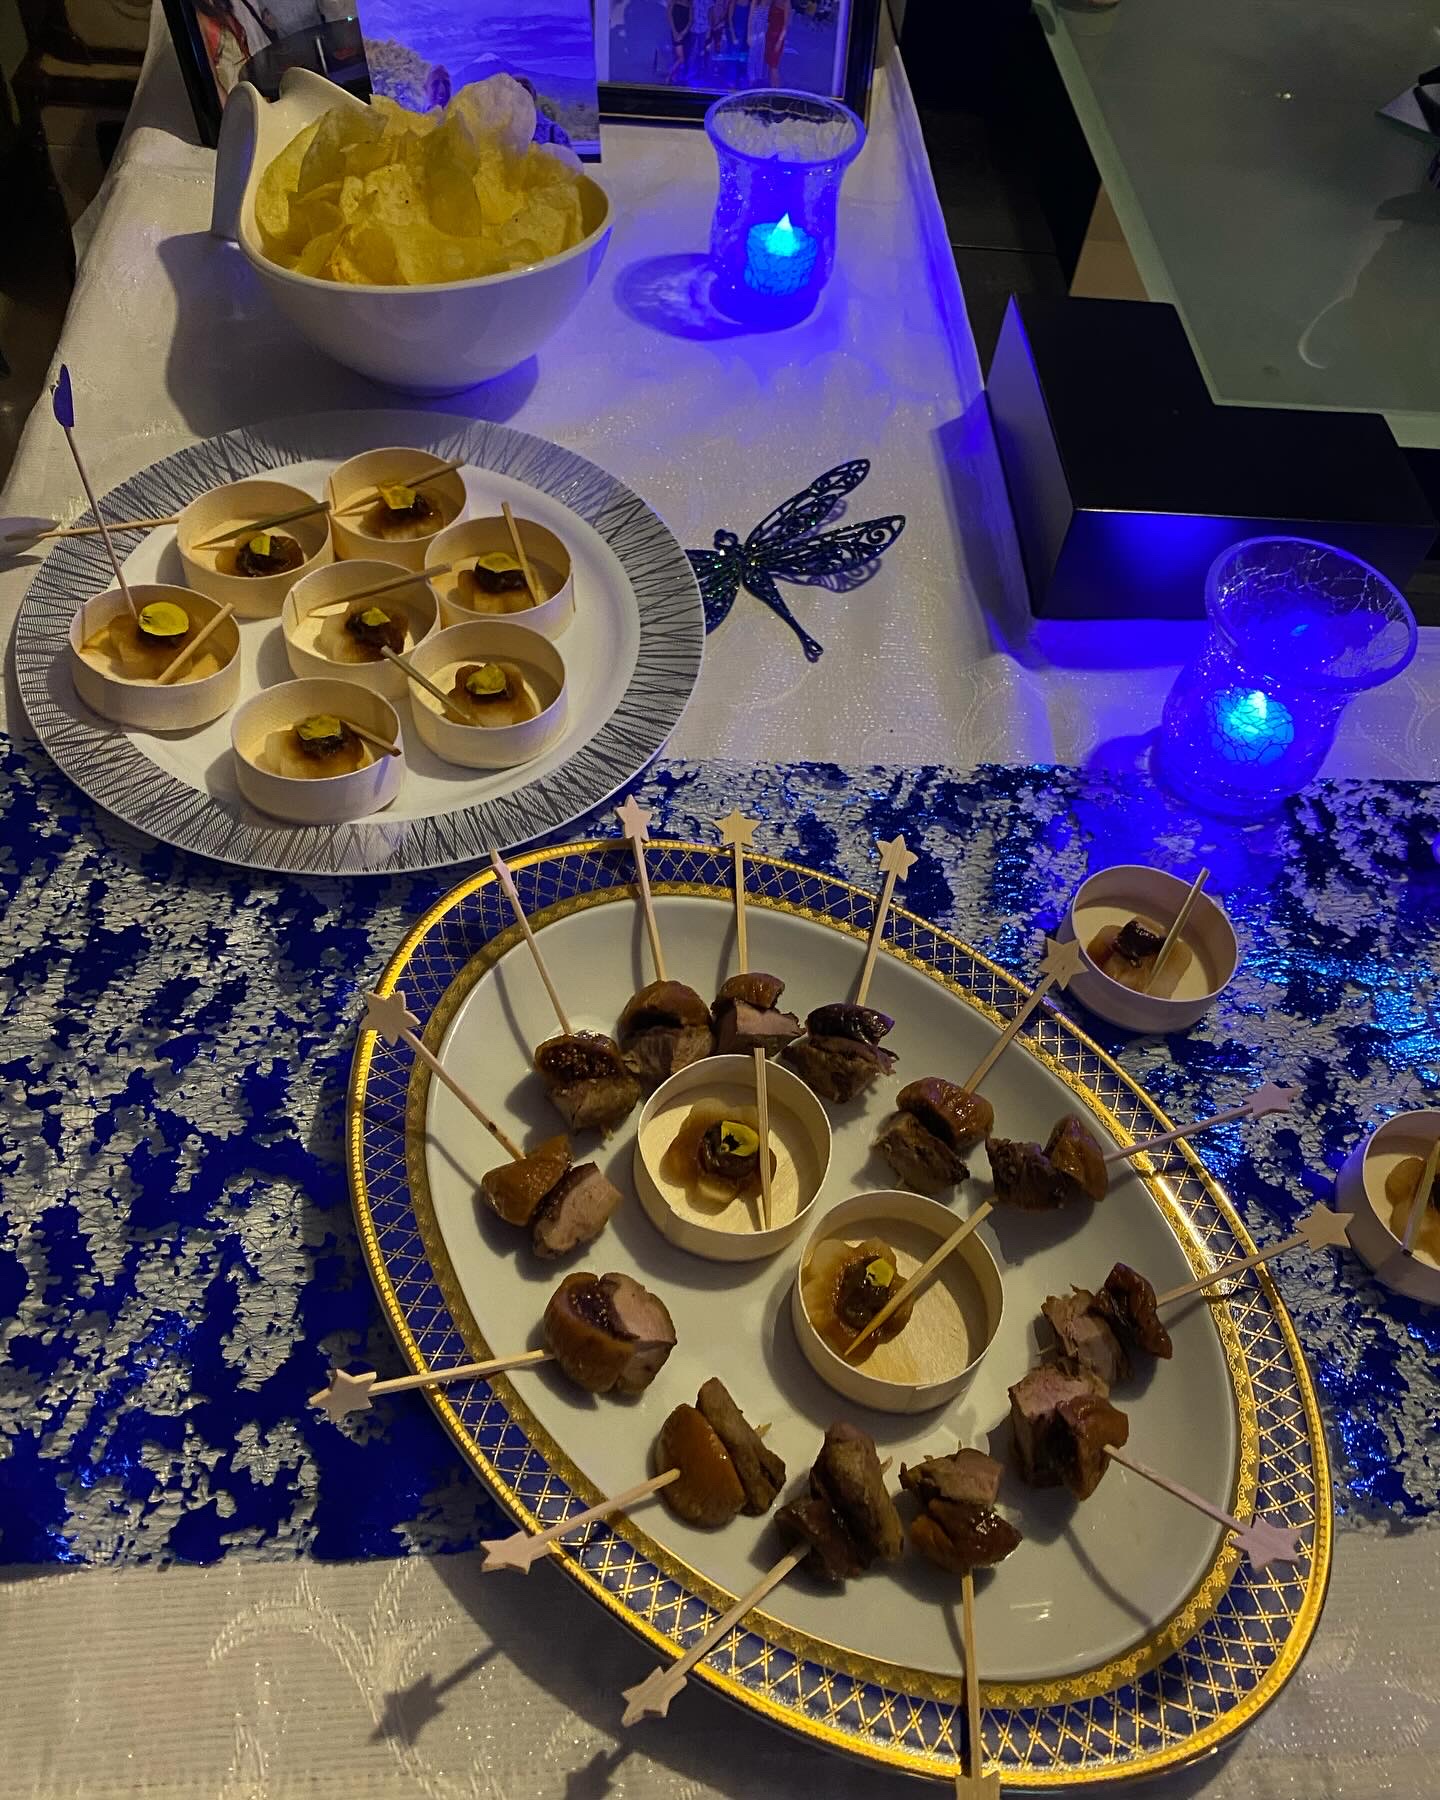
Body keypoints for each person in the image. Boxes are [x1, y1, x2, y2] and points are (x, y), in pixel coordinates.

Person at [194, 0, 269, 95]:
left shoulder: (222, 6)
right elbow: (213, 80)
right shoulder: (199, 18)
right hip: (232, 92)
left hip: (250, 86)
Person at [764, 0, 790, 86]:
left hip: (778, 37)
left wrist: (779, 41)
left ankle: (776, 87)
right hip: (769, 35)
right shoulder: (773, 1)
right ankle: (771, 86)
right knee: (769, 64)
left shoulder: (786, 3)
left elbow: (785, 26)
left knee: (774, 65)